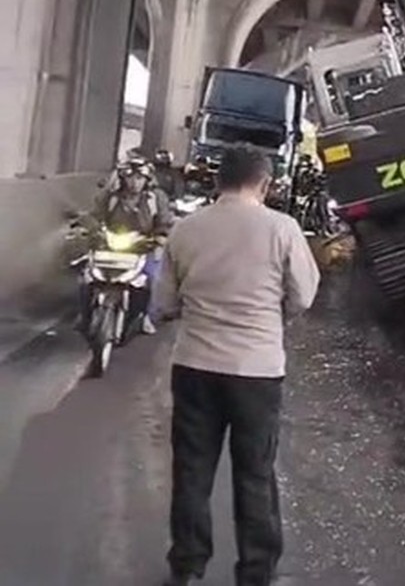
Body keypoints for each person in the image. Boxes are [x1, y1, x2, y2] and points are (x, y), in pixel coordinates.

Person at [153, 146, 320, 586]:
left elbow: (164, 302)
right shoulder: (282, 228)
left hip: (194, 366)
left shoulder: (186, 230)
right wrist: (273, 315)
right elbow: (303, 295)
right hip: (256, 372)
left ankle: (187, 566)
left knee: (192, 469)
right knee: (255, 473)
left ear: (217, 181)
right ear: (265, 184)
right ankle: (256, 573)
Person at [89, 157, 174, 334]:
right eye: (130, 178)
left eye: (139, 178)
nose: (134, 183)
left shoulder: (156, 198)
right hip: (110, 247)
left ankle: (146, 316)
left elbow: (165, 222)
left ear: (147, 180)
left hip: (143, 248)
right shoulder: (110, 197)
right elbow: (94, 216)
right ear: (122, 178)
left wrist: (160, 236)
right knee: (86, 277)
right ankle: (85, 314)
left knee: (154, 278)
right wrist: (91, 229)